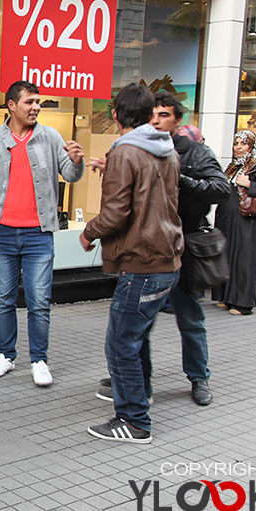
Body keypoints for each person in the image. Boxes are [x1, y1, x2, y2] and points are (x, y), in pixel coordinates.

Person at [90, 92, 229, 406]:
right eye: (153, 114)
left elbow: (222, 188)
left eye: (164, 115)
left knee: (190, 320)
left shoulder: (192, 152)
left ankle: (198, 377)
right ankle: (142, 384)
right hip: (152, 252)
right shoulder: (141, 148)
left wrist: (182, 180)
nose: (156, 120)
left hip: (183, 247)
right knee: (140, 327)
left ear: (177, 121)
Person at [0, 80, 85, 387]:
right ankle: (6, 355)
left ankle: (39, 360)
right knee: (3, 299)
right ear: (12, 106)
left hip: (38, 235)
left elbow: (69, 175)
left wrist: (78, 161)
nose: (36, 107)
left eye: (38, 102)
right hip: (1, 233)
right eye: (29, 102)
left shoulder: (49, 137)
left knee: (39, 300)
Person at [80, 84, 183, 444]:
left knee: (121, 343)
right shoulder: (166, 149)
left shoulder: (126, 151)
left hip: (141, 260)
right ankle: (141, 393)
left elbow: (115, 213)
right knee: (137, 338)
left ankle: (134, 420)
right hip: (166, 256)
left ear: (114, 114)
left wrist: (89, 232)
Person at [211, 130, 256, 316]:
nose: (239, 147)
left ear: (252, 146)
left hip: (246, 221)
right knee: (228, 255)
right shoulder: (233, 166)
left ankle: (243, 303)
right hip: (228, 219)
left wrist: (250, 185)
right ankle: (226, 297)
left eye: (243, 143)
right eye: (236, 143)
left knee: (243, 258)